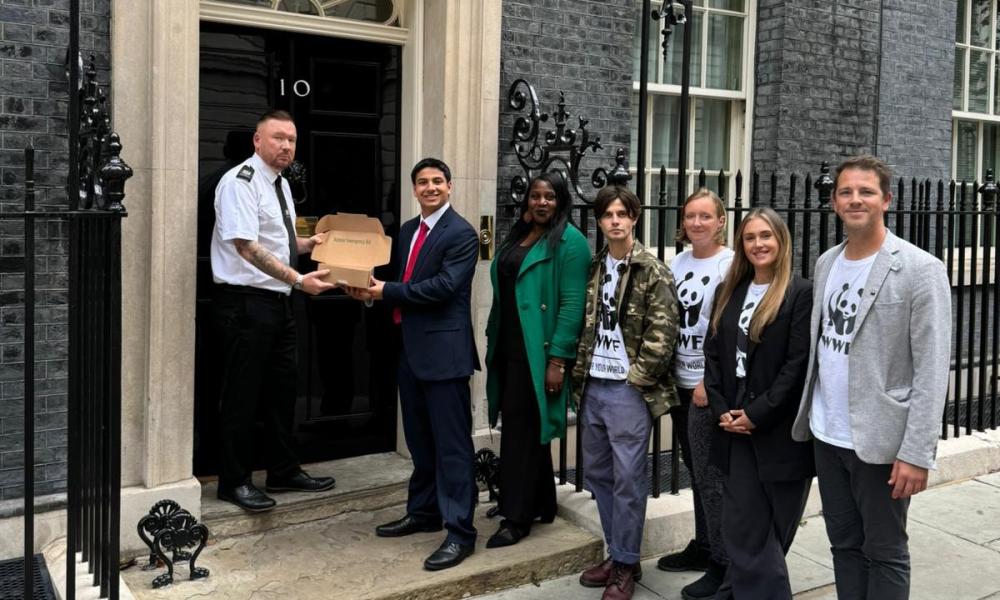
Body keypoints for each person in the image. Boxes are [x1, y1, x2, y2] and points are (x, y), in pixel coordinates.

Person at [792, 155, 951, 600]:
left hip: (880, 443)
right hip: (827, 435)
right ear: (834, 202)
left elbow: (933, 368)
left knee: (885, 553)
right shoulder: (826, 263)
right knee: (844, 546)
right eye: (846, 192)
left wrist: (917, 452)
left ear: (886, 199)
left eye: (866, 191)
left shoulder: (921, 270)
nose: (855, 199)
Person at [346, 158, 480, 571]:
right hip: (410, 352)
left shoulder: (462, 234)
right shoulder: (406, 231)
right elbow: (393, 278)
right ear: (414, 189)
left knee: (453, 448)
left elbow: (443, 288)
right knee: (421, 442)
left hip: (445, 356)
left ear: (450, 186)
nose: (430, 188)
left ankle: (460, 532)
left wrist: (385, 291)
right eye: (422, 182)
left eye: (437, 181)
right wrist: (366, 290)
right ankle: (423, 513)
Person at [210, 109, 337, 512]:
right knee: (242, 396)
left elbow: (277, 242)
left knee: (283, 392)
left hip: (277, 303)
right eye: (278, 137)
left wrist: (310, 245)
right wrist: (300, 280)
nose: (286, 146)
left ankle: (282, 470)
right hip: (246, 304)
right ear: (257, 140)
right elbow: (246, 247)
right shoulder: (240, 183)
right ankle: (233, 481)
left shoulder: (279, 184)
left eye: (292, 140)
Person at [572, 186, 679, 600]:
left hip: (628, 390)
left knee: (628, 481)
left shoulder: (652, 269)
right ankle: (620, 555)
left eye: (622, 213)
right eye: (607, 214)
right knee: (598, 475)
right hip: (593, 385)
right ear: (599, 221)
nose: (614, 220)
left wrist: (638, 378)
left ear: (634, 218)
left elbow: (662, 332)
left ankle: (625, 564)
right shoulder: (597, 266)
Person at [703, 207, 814, 599]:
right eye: (750, 238)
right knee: (744, 525)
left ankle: (737, 589)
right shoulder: (727, 291)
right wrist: (722, 411)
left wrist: (757, 414)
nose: (758, 244)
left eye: (766, 236)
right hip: (733, 426)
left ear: (781, 241)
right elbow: (712, 356)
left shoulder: (800, 293)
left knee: (773, 530)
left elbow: (797, 365)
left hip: (778, 432)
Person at [483, 171, 590, 548]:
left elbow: (573, 304)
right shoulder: (520, 234)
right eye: (535, 196)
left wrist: (558, 361)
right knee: (522, 427)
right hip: (510, 347)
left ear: (561, 201)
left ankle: (517, 517)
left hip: (538, 353)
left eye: (550, 197)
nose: (541, 202)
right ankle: (542, 500)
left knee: (521, 433)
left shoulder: (572, 243)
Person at [656, 189, 733, 600]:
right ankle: (705, 545)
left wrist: (708, 380)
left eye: (706, 216)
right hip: (679, 383)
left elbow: (729, 329)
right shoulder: (678, 262)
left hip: (707, 388)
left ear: (721, 221)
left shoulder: (731, 263)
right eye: (690, 216)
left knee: (712, 477)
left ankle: (722, 561)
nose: (697, 223)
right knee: (696, 470)